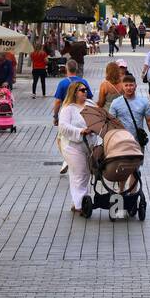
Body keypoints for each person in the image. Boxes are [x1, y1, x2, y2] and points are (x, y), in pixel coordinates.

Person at [57, 81, 95, 214]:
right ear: (75, 93)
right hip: (73, 146)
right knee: (80, 173)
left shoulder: (90, 105)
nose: (85, 92)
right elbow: (63, 127)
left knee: (85, 174)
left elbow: (99, 119)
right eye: (82, 90)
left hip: (89, 145)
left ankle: (77, 201)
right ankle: (80, 205)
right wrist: (80, 131)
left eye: (86, 90)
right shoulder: (68, 108)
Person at [110, 73, 150, 167]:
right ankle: (123, 182)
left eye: (131, 85)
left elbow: (149, 121)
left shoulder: (143, 102)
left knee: (135, 170)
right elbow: (111, 123)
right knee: (123, 169)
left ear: (135, 86)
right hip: (121, 142)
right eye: (126, 85)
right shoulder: (115, 103)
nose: (129, 88)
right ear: (122, 87)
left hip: (137, 142)